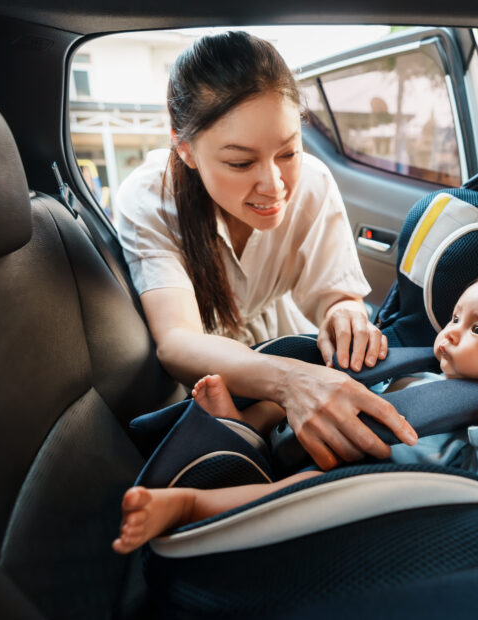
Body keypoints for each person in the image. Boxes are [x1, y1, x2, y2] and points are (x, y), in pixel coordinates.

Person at [114, 31, 416, 471]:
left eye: (288, 151)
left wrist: (345, 315)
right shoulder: (149, 199)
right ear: (186, 148)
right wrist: (292, 382)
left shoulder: (312, 183)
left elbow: (335, 294)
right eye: (240, 162)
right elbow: (178, 341)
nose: (275, 186)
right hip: (210, 368)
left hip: (284, 338)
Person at [112, 268, 478, 554]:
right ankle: (241, 429)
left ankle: (192, 505)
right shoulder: (428, 370)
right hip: (325, 433)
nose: (450, 333)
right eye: (454, 318)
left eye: (476, 329)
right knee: (281, 400)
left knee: (303, 487)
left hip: (362, 479)